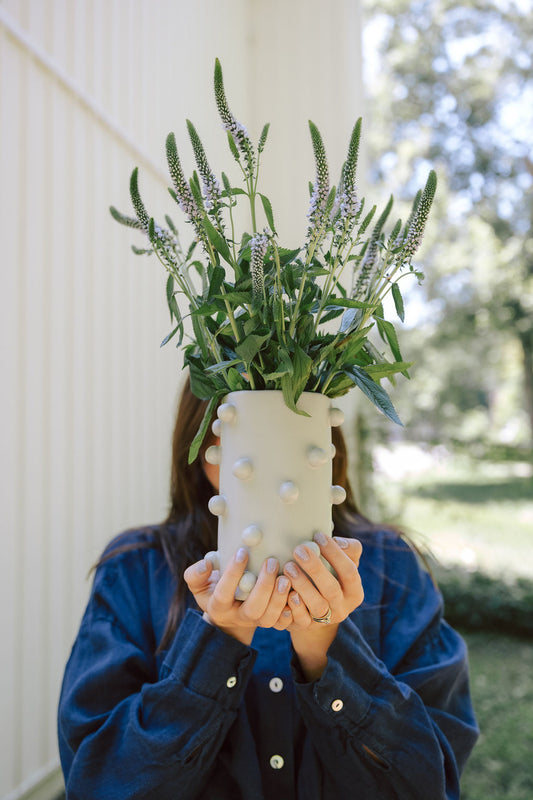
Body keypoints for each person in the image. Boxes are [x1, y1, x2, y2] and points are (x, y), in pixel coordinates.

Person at [58, 377, 479, 799]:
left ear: (323, 438)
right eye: (243, 437)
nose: (268, 467)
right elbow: (98, 782)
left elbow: (432, 783)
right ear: (204, 441)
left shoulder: (392, 564)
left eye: (289, 430)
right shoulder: (133, 569)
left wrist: (326, 648)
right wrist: (217, 640)